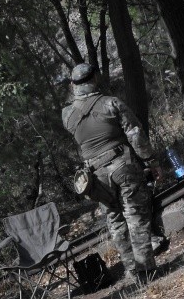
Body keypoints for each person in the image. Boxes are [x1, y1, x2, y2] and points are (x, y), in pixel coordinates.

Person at [62, 63, 162, 283]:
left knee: (115, 220)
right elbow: (135, 135)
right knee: (135, 216)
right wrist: (151, 161)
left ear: (73, 85)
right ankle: (146, 269)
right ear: (96, 78)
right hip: (122, 165)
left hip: (96, 176)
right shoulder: (111, 103)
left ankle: (132, 271)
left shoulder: (67, 115)